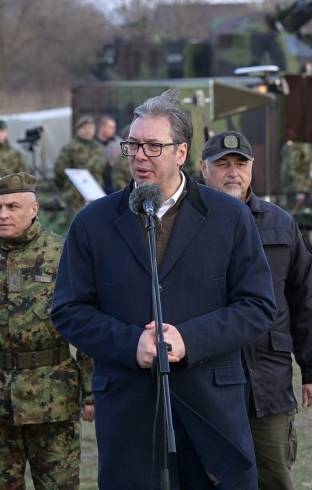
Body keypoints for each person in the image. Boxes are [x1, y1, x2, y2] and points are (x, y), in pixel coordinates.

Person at [51, 90, 277, 488]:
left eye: (153, 146)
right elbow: (69, 310)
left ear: (181, 152)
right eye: (133, 145)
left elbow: (257, 305)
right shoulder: (93, 222)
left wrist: (190, 339)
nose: (139, 156)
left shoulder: (229, 217)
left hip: (210, 406)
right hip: (128, 407)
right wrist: (129, 342)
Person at [200, 130, 312, 490]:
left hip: (268, 381)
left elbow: (305, 301)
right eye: (222, 164)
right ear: (202, 168)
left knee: (274, 477)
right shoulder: (185, 224)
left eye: (240, 164)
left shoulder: (280, 224)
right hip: (206, 379)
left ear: (252, 168)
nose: (232, 172)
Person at [0, 172, 93, 489]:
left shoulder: (63, 255)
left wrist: (91, 391)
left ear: (34, 210)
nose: (3, 215)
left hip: (52, 396)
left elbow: (88, 324)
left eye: (13, 207)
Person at [53, 116, 107, 220]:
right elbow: (60, 169)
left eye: (90, 128)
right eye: (85, 128)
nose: (88, 131)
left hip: (95, 190)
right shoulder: (70, 147)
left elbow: (101, 166)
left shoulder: (98, 147)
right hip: (75, 194)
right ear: (78, 130)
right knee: (75, 221)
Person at [95, 115, 130, 194]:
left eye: (114, 127)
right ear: (102, 128)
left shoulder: (118, 142)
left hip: (113, 181)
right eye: (111, 127)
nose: (114, 130)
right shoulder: (93, 143)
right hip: (97, 181)